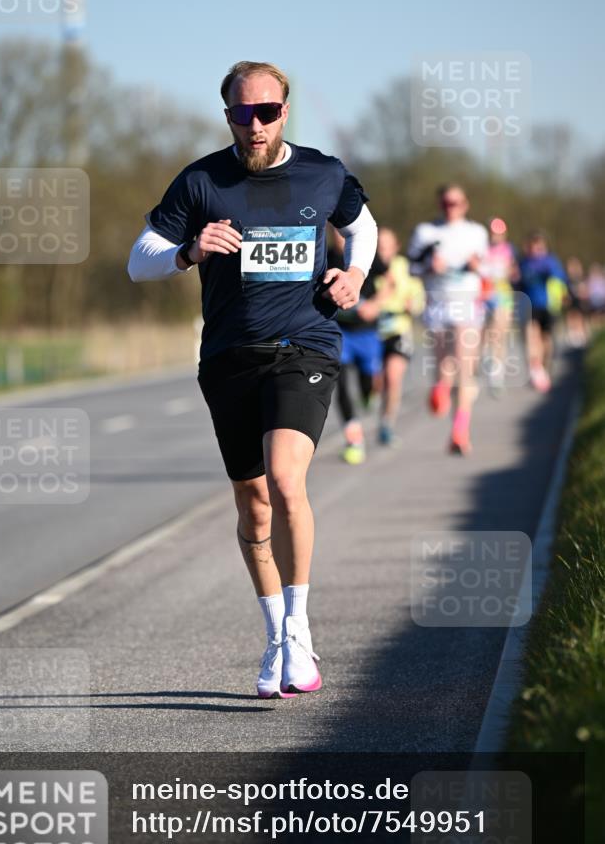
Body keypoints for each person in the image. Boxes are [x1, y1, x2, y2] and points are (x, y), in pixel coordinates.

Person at [128, 61, 377, 698]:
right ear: (229, 116)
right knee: (254, 501)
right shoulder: (201, 181)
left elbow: (361, 227)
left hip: (305, 343)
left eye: (267, 112)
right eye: (243, 114)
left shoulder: (323, 172)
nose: (256, 124)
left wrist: (355, 275)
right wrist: (188, 251)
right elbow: (139, 259)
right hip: (229, 357)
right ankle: (274, 634)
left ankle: (298, 630)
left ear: (285, 111)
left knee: (286, 478)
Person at [407, 184, 488, 455]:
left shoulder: (477, 233)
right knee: (445, 365)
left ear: (465, 205)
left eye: (456, 203)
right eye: (446, 203)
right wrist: (430, 267)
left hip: (467, 304)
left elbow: (489, 267)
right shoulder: (426, 232)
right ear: (440, 204)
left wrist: (479, 268)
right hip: (438, 305)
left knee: (464, 365)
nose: (451, 207)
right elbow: (411, 266)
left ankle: (460, 430)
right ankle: (440, 388)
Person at [327, 228, 385, 464]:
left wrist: (375, 305)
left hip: (366, 331)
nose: (340, 236)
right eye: (335, 231)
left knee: (367, 384)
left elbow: (389, 282)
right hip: (338, 331)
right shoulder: (325, 255)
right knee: (340, 385)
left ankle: (370, 394)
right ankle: (354, 438)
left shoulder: (366, 254)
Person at [370, 228, 425, 446]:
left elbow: (418, 295)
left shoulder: (405, 267)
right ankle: (373, 399)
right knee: (377, 382)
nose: (382, 250)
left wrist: (415, 305)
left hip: (399, 328)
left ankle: (387, 423)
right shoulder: (367, 265)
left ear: (396, 247)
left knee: (393, 377)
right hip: (372, 330)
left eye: (386, 246)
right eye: (379, 246)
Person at [516, 231, 567, 392]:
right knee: (532, 337)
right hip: (530, 306)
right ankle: (536, 367)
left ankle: (544, 366)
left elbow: (560, 279)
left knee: (546, 340)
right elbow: (517, 284)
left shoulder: (550, 261)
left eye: (539, 246)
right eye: (533, 246)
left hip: (548, 305)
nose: (536, 250)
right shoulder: (524, 263)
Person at [480, 217, 517, 396]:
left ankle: (497, 374)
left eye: (499, 232)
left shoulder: (509, 250)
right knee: (485, 334)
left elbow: (513, 272)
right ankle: (487, 358)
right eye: (493, 232)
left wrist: (510, 272)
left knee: (500, 333)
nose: (495, 236)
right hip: (484, 295)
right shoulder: (481, 248)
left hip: (503, 295)